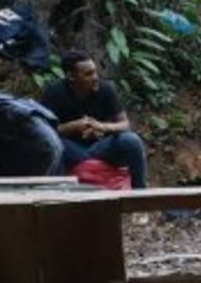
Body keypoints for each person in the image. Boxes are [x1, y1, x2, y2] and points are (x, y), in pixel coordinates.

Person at [40, 51, 149, 189]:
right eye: (88, 74)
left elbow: (124, 124)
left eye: (95, 72)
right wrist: (74, 126)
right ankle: (57, 195)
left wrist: (101, 127)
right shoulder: (54, 92)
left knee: (131, 140)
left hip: (101, 147)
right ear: (71, 76)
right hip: (70, 149)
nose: (95, 77)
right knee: (52, 144)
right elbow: (43, 130)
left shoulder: (106, 89)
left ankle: (140, 193)